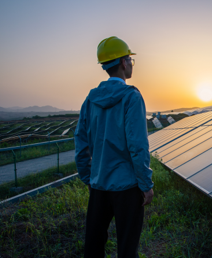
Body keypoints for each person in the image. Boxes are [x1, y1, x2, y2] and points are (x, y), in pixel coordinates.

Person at [74, 36, 154, 258]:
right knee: (127, 250)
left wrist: (87, 178)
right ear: (123, 62)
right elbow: (137, 146)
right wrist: (146, 185)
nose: (131, 64)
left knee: (93, 247)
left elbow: (80, 143)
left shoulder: (90, 100)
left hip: (98, 185)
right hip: (127, 188)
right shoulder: (131, 97)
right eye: (130, 59)